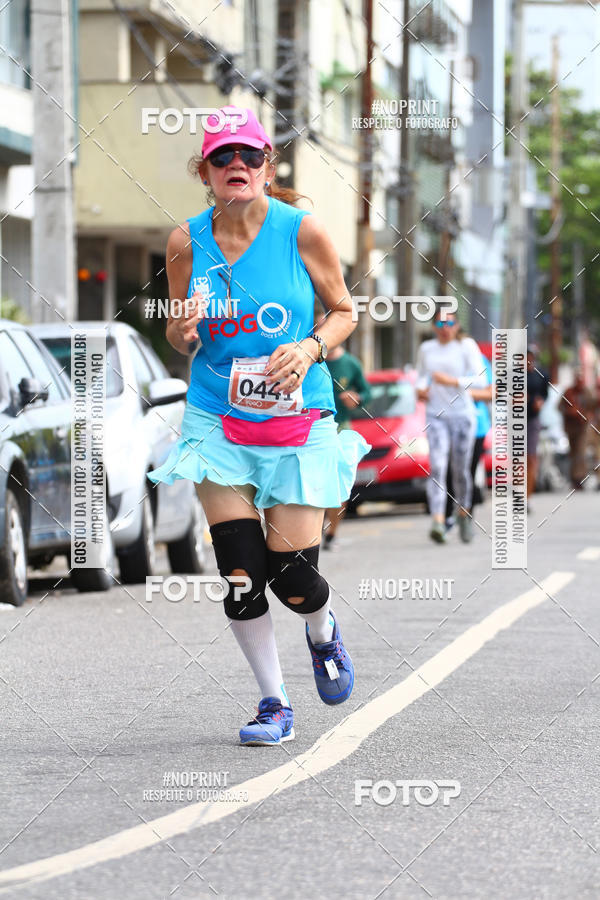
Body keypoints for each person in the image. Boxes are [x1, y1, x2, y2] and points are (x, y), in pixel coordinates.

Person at [147, 106, 370, 747]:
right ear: (206, 172)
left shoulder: (302, 231)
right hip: (217, 417)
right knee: (241, 573)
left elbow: (344, 311)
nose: (236, 166)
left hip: (297, 418)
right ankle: (273, 702)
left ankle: (323, 633)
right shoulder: (186, 240)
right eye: (223, 158)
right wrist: (179, 328)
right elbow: (177, 328)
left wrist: (308, 349)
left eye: (248, 157)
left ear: (267, 168)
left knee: (293, 578)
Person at [416, 307, 487, 544]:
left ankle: (464, 512)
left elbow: (481, 379)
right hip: (436, 415)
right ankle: (437, 519)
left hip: (463, 416)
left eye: (449, 324)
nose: (444, 330)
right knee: (437, 466)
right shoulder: (426, 349)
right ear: (433, 326)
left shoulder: (466, 346)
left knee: (461, 470)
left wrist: (453, 381)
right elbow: (420, 377)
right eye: (439, 324)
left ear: (457, 325)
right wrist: (421, 390)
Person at [322, 343, 372, 549]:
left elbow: (366, 392)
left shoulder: (350, 363)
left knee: (340, 485)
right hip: (312, 429)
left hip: (341, 429)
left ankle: (332, 532)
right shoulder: (310, 359)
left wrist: (358, 398)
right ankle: (313, 532)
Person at [445, 352, 493, 530]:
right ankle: (447, 516)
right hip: (449, 425)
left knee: (468, 472)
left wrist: (461, 391)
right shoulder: (442, 359)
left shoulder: (480, 361)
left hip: (476, 427)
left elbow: (491, 392)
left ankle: (466, 517)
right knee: (448, 472)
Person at [559, 371, 594, 489]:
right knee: (573, 453)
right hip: (571, 428)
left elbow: (592, 406)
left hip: (582, 428)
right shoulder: (569, 392)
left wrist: (588, 414)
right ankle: (574, 478)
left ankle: (580, 477)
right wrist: (570, 412)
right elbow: (559, 407)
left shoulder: (587, 392)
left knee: (581, 453)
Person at [526, 346, 549, 504]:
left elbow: (544, 395)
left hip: (533, 420)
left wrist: (540, 402)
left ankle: (527, 496)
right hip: (515, 420)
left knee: (531, 458)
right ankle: (518, 494)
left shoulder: (541, 375)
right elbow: (499, 392)